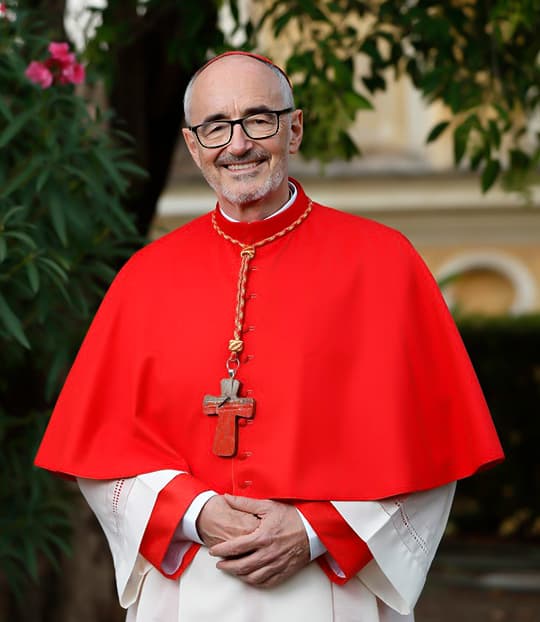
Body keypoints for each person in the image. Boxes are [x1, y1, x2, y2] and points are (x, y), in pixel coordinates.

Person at [35, 51, 504, 622]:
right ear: (191, 145)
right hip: (186, 592)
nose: (238, 145)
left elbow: (433, 457)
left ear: (295, 128)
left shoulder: (384, 264)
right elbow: (103, 458)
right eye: (216, 127)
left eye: (260, 119)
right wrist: (194, 513)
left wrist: (313, 530)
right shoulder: (146, 277)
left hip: (331, 591)